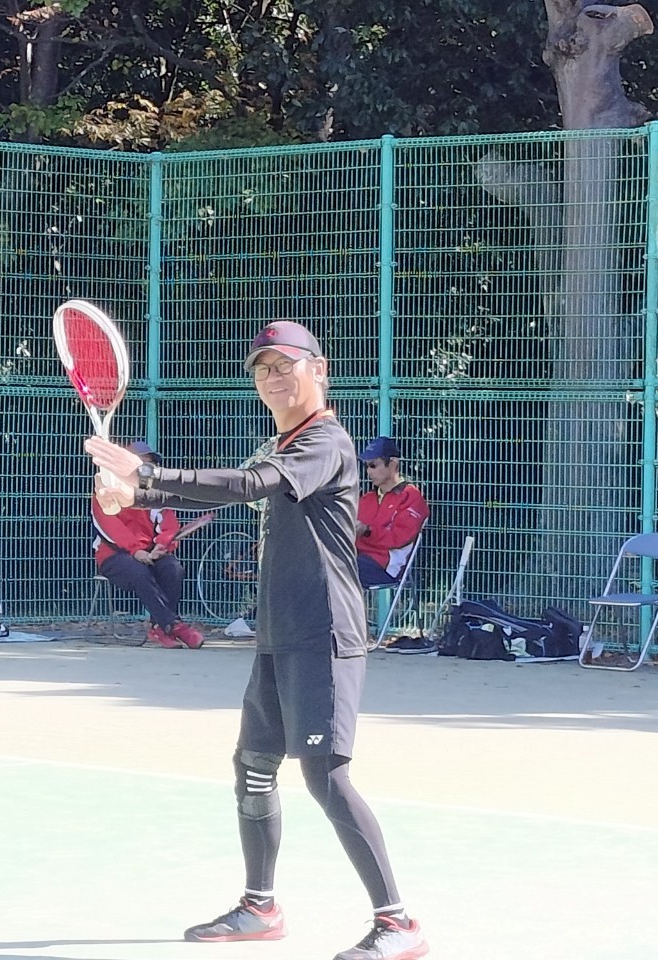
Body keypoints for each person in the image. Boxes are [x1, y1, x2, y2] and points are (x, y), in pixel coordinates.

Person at [85, 321, 428, 960]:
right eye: (262, 368)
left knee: (326, 777)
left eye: (284, 365)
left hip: (324, 635)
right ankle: (260, 908)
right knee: (254, 766)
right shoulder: (284, 443)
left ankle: (398, 922)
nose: (272, 377)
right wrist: (135, 490)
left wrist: (146, 472)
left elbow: (247, 485)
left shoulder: (326, 441)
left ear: (318, 371)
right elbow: (238, 487)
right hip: (278, 634)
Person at [92, 441, 204, 649]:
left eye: (149, 464)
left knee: (173, 568)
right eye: (142, 464)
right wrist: (136, 551)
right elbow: (109, 527)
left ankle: (160, 628)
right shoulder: (106, 489)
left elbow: (169, 525)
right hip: (113, 556)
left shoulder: (154, 493)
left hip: (148, 553)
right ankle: (173, 625)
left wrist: (161, 547)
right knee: (138, 572)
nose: (147, 469)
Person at [356, 437, 429, 588]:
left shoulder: (411, 497)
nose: (369, 471)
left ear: (393, 464)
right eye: (366, 466)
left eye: (373, 465)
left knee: (334, 568)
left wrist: (368, 531)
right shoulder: (367, 499)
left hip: (386, 568)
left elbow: (399, 538)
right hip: (359, 558)